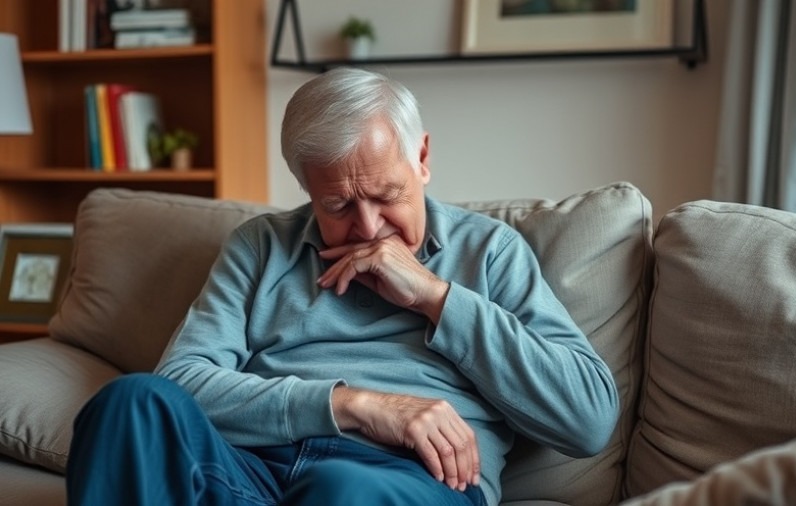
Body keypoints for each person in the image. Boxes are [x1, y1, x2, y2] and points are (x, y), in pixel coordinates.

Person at [66, 67, 619, 506]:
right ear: (306, 187)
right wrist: (352, 405)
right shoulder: (261, 246)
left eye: (386, 195)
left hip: (405, 484)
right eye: (337, 205)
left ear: (421, 158)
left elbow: (588, 419)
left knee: (339, 491)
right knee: (131, 402)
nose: (369, 227)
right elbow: (184, 381)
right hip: (254, 472)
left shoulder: (490, 251)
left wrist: (435, 297)